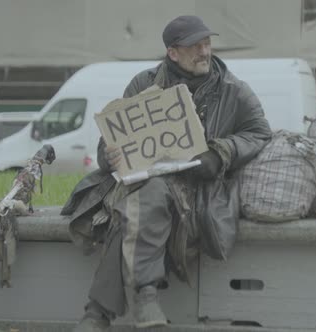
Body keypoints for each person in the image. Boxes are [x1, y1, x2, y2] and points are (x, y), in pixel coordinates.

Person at [61, 15, 271, 331]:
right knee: (144, 196)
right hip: (143, 184)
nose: (205, 52)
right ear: (173, 53)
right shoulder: (143, 84)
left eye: (207, 43)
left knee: (130, 211)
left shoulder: (235, 90)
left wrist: (220, 152)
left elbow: (259, 134)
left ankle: (99, 313)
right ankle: (140, 299)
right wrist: (110, 154)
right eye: (195, 46)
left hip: (198, 190)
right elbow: (112, 140)